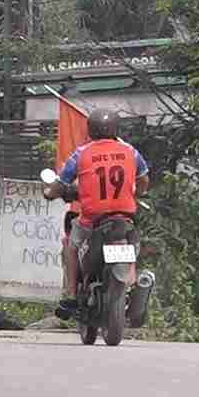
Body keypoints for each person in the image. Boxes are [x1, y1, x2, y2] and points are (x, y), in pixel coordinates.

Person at [44, 108, 149, 320]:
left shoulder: (80, 154)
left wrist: (49, 193)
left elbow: (59, 185)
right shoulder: (131, 151)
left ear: (90, 130)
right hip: (124, 219)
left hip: (93, 220)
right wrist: (138, 192)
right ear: (115, 129)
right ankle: (135, 285)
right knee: (132, 242)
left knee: (70, 246)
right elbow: (144, 180)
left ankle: (72, 295)